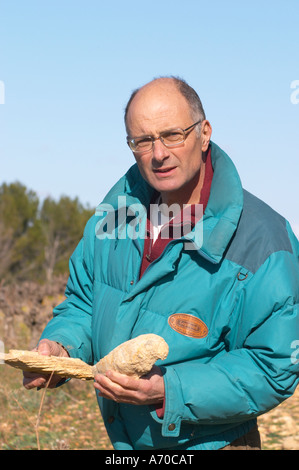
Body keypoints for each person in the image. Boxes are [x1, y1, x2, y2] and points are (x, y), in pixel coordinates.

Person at [23, 76, 299, 451]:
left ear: (204, 133)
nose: (158, 153)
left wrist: (169, 391)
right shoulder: (111, 219)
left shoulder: (264, 240)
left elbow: (275, 365)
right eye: (143, 140)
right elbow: (83, 303)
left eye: (172, 135)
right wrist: (62, 348)